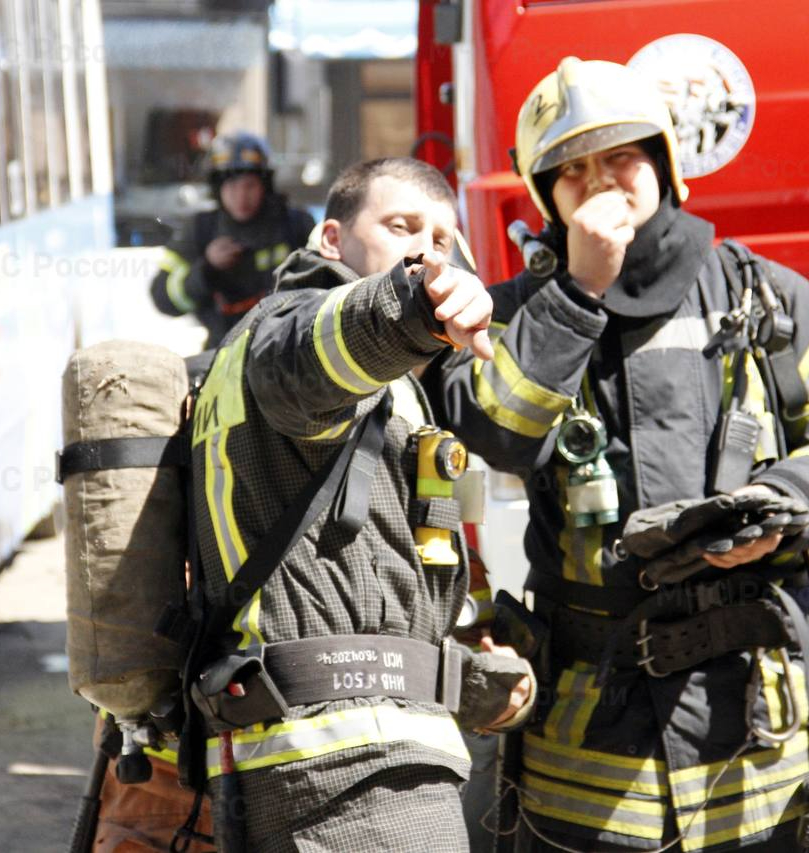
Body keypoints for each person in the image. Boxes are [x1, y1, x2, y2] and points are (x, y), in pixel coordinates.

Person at [431, 59, 809, 852]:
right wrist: (579, 293)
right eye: (571, 170)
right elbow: (501, 435)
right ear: (546, 197)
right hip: (590, 763)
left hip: (757, 744)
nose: (600, 182)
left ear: (663, 161)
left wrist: (781, 510)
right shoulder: (516, 318)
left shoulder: (764, 297)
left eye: (619, 155)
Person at [180, 156, 533, 851]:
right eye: (401, 226)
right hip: (354, 776)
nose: (424, 251)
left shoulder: (395, 384)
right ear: (331, 241)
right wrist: (409, 305)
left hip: (343, 759)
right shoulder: (289, 328)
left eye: (441, 238)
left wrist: (466, 663)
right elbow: (317, 355)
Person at [150, 132, 315, 348]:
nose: (241, 196)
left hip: (290, 349)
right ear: (218, 189)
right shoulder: (201, 229)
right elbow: (163, 298)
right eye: (232, 186)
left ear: (265, 185)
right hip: (224, 352)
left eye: (249, 185)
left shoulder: (296, 224)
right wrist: (207, 269)